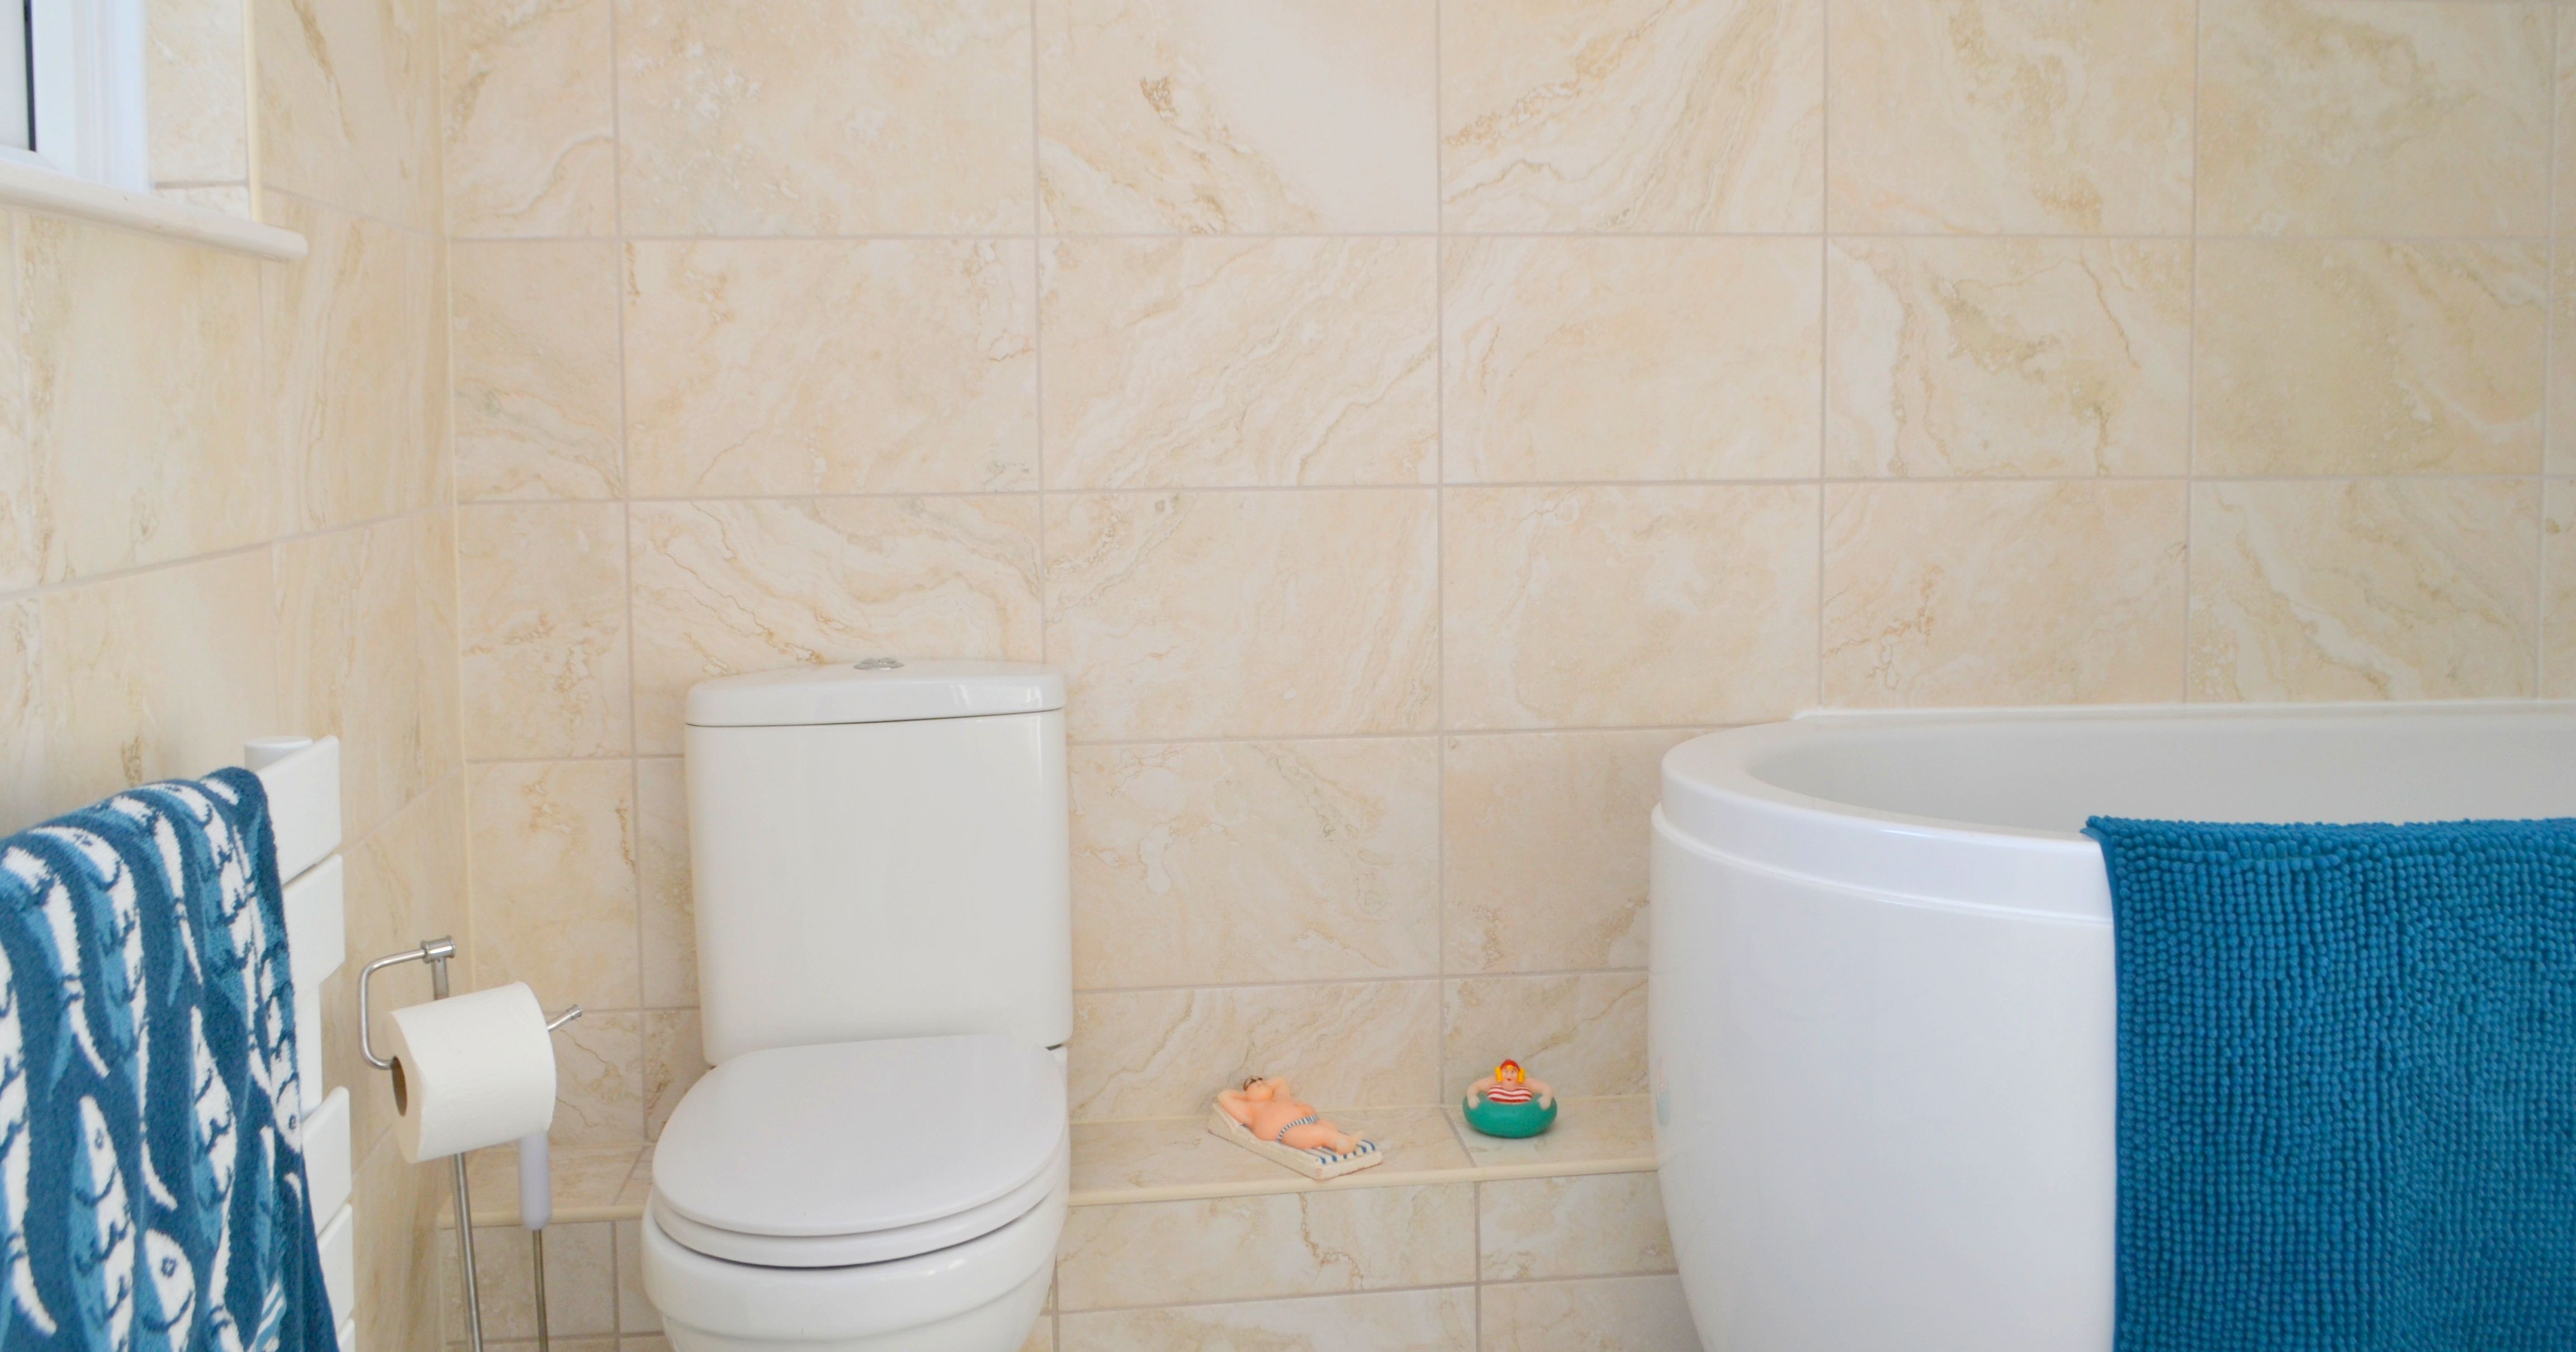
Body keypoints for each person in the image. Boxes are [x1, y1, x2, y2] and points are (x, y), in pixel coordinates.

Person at [1217, 1076, 1366, 1155]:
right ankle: (1344, 1144)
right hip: (1289, 1131)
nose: (1258, 1082)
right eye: (1253, 1084)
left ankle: (1341, 1143)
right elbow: (1225, 1097)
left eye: (1260, 1080)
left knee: (1327, 1126)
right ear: (1246, 1093)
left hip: (1311, 1120)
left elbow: (1280, 1081)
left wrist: (1262, 1086)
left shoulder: (1279, 1097)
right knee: (1319, 1133)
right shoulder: (1250, 1109)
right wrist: (1246, 1096)